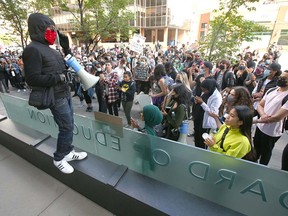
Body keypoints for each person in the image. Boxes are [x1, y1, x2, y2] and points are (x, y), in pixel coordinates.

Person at [22, 13, 87, 174]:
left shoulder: (51, 50)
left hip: (64, 93)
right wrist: (57, 78)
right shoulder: (32, 50)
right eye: (50, 29)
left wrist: (66, 49)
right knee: (66, 126)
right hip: (55, 96)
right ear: (40, 29)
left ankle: (68, 151)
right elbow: (32, 78)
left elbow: (64, 67)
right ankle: (59, 158)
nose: (53, 33)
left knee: (70, 124)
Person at [253, 70, 288, 165]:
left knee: (265, 154)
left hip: (272, 132)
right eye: (281, 76)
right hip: (260, 127)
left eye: (284, 78)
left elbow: (277, 118)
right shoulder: (271, 90)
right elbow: (260, 105)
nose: (280, 79)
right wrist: (263, 115)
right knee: (255, 150)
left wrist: (257, 120)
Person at [193, 79, 222, 149]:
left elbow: (212, 112)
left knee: (203, 140)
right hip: (198, 118)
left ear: (210, 88)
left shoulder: (217, 97)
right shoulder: (206, 92)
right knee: (197, 137)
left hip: (206, 120)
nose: (203, 92)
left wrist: (202, 103)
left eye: (205, 90)